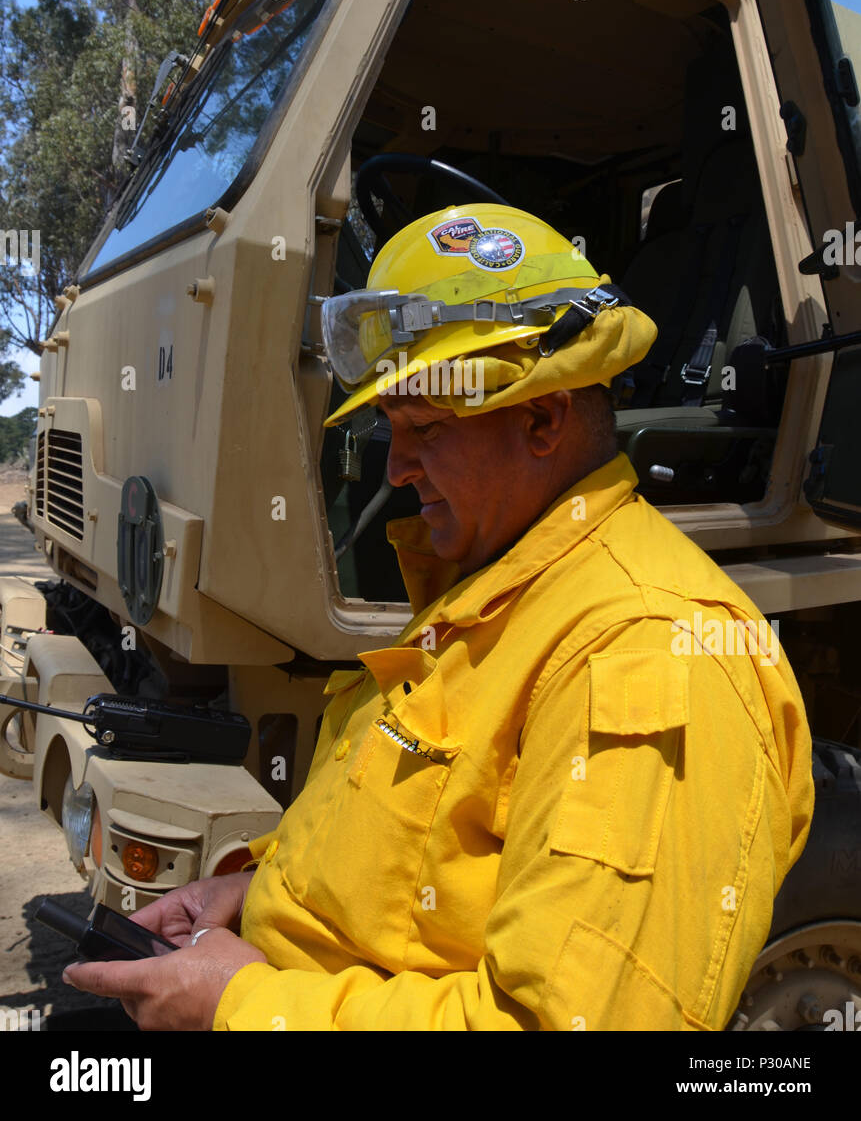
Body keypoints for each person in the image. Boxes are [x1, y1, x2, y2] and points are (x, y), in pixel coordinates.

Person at [62, 204, 814, 1030]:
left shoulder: (652, 655)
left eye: (425, 427)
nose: (398, 464)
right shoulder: (493, 586)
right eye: (389, 424)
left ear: (541, 420)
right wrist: (253, 893)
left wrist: (242, 1006)